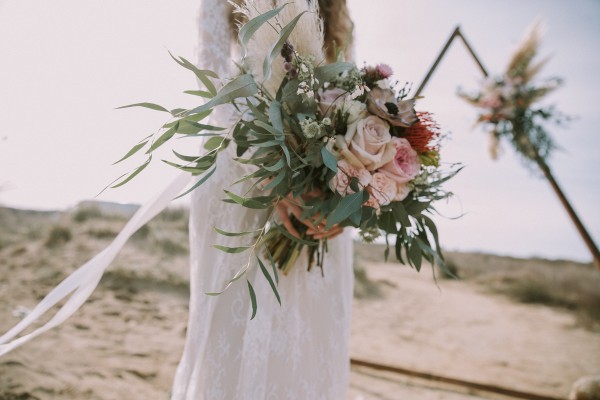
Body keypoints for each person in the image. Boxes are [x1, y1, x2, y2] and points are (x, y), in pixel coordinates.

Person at [171, 1, 356, 398]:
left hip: (315, 186)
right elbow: (215, 84)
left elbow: (348, 93)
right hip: (241, 172)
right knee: (236, 329)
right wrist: (274, 173)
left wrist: (347, 188)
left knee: (305, 333)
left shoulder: (335, 7)